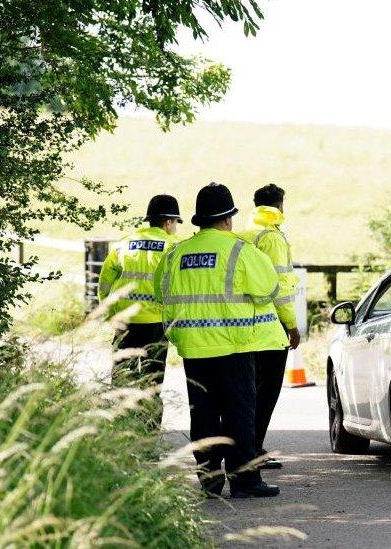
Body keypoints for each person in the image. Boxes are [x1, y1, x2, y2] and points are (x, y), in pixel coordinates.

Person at [154, 182, 286, 498]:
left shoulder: (176, 253)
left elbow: (161, 292)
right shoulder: (240, 251)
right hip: (235, 345)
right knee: (240, 413)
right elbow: (269, 289)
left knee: (203, 413)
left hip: (193, 348)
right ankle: (244, 481)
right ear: (227, 219)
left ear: (199, 219)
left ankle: (209, 481)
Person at [98, 194, 182, 420]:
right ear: (167, 222)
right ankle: (148, 437)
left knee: (121, 380)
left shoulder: (125, 242)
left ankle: (120, 435)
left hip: (124, 322)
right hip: (156, 323)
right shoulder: (173, 247)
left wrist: (108, 314)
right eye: (175, 223)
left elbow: (105, 281)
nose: (175, 228)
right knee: (152, 384)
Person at [238, 183, 301, 470]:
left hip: (242, 324)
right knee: (267, 390)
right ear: (280, 205)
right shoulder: (272, 237)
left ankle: (248, 447)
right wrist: (291, 324)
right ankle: (252, 450)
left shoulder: (244, 233)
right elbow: (279, 287)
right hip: (270, 324)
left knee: (249, 390)